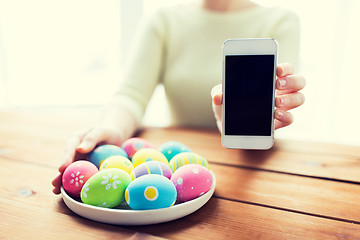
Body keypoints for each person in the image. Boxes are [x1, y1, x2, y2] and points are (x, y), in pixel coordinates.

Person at [52, 0, 306, 194]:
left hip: (254, 177)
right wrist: (109, 129)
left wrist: (255, 118)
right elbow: (131, 95)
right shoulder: (164, 20)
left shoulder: (281, 20)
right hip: (177, 172)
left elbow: (274, 100)